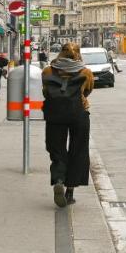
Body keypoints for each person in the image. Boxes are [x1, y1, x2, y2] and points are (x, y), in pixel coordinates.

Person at [42, 43, 94, 208]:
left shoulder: (48, 71)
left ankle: (58, 179)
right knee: (78, 150)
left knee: (57, 148)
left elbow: (45, 91)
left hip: (55, 114)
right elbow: (87, 91)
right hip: (79, 113)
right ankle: (70, 191)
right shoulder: (85, 72)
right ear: (77, 54)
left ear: (60, 53)